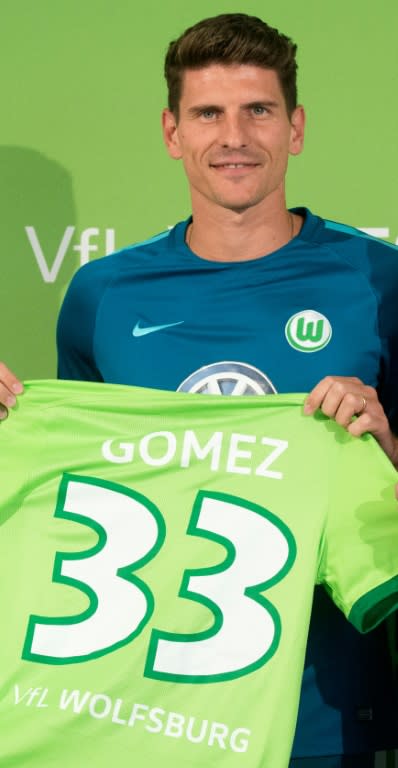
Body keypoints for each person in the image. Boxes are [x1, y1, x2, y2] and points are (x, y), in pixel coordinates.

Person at [1, 12, 397, 768]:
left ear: (297, 127)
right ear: (172, 132)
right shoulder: (102, 294)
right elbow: (76, 498)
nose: (234, 136)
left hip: (325, 721)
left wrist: (381, 442)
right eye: (207, 113)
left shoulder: (380, 282)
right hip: (137, 717)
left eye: (259, 110)